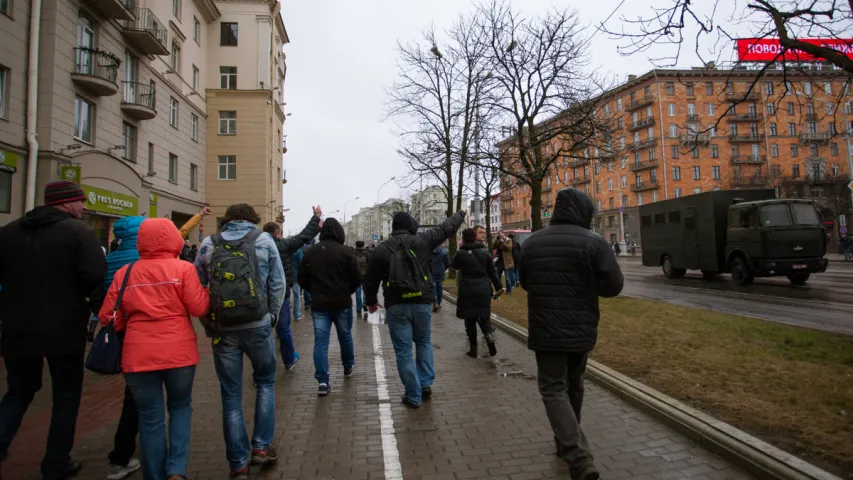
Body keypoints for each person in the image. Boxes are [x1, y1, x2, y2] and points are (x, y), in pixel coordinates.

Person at [90, 207, 211, 480]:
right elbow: (199, 308)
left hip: (138, 354)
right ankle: (177, 471)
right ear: (172, 239)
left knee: (150, 416)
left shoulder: (125, 272)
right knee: (180, 407)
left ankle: (154, 474)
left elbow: (108, 316)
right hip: (179, 353)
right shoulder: (183, 269)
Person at [0, 181, 106, 479]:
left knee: (18, 392)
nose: (83, 207)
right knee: (66, 396)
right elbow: (94, 273)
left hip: (17, 328)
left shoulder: (9, 231)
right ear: (64, 203)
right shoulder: (78, 232)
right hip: (64, 327)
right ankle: (56, 463)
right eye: (80, 202)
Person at [519, 188, 623, 480]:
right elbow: (613, 287)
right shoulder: (594, 242)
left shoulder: (532, 243)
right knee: (574, 385)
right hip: (581, 330)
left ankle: (576, 454)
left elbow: (526, 283)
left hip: (547, 330)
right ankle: (569, 443)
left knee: (554, 388)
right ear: (584, 212)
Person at [194, 204, 285, 480]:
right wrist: (271, 316)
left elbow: (197, 288)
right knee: (266, 383)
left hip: (224, 328)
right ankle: (260, 448)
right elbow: (278, 284)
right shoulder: (264, 240)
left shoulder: (208, 244)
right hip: (258, 324)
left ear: (227, 220)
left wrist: (208, 322)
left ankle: (237, 464)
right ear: (253, 220)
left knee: (231, 396)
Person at [365, 210, 466, 409]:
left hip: (396, 304)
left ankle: (413, 395)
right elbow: (446, 228)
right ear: (411, 224)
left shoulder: (382, 249)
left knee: (403, 351)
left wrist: (371, 303)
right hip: (422, 302)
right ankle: (426, 382)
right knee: (424, 342)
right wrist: (461, 213)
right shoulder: (423, 240)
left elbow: (370, 280)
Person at [298, 218, 361, 396]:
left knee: (321, 342)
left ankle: (323, 380)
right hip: (342, 302)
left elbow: (302, 279)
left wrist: (314, 291)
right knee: (345, 336)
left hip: (320, 304)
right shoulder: (346, 252)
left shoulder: (311, 253)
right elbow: (356, 277)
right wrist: (346, 291)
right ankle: (348, 366)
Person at [262, 208, 322, 371]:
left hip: (260, 294)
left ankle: (262, 368)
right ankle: (288, 359)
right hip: (280, 292)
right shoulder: (282, 246)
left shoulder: (256, 247)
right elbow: (303, 237)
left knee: (262, 331)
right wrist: (316, 218)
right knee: (284, 328)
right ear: (277, 233)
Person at [451, 228, 503, 357]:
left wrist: (460, 249)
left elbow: (454, 265)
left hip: (467, 289)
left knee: (470, 320)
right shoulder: (486, 253)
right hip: (483, 289)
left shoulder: (461, 253)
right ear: (474, 238)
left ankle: (473, 349)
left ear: (463, 239)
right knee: (484, 316)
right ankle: (489, 339)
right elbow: (493, 273)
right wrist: (499, 288)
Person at [429, 244, 450, 312]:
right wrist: (443, 269)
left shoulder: (429, 251)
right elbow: (447, 263)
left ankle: (435, 303)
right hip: (440, 273)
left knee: (434, 288)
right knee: (439, 288)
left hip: (432, 272)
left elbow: (427, 263)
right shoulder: (444, 251)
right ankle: (439, 303)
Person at [353, 241, 371, 319]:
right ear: (363, 246)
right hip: (366, 276)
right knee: (365, 291)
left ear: (356, 245)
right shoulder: (367, 254)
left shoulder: (353, 254)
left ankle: (358, 308)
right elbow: (371, 265)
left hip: (356, 276)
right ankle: (365, 304)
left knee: (357, 292)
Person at [291, 248, 305, 320]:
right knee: (297, 296)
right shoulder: (298, 251)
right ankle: (297, 314)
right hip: (295, 276)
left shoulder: (285, 249)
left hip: (286, 275)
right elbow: (302, 264)